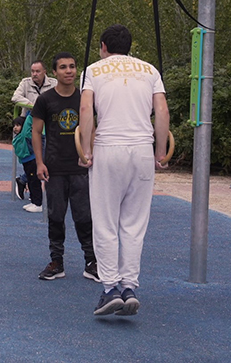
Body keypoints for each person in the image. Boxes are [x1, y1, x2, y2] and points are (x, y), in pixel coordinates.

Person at [78, 24, 169, 317]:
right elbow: (162, 111)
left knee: (105, 222)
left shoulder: (93, 70)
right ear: (129, 46)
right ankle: (129, 285)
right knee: (134, 223)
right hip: (142, 149)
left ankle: (109, 289)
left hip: (109, 147)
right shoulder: (150, 70)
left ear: (104, 45)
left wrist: (86, 151)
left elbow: (86, 112)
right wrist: (160, 153)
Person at [32, 52, 97, 281]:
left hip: (81, 167)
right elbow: (36, 132)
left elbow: (93, 130)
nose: (68, 71)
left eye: (72, 66)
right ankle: (56, 262)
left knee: (84, 217)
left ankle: (91, 262)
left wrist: (93, 156)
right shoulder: (45, 100)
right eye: (63, 67)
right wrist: (39, 163)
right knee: (56, 217)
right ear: (55, 72)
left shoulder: (85, 99)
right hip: (55, 167)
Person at [11, 60, 57, 196]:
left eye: (37, 71)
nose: (34, 74)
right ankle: (30, 184)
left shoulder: (53, 83)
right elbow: (15, 97)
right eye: (33, 71)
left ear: (45, 72)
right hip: (30, 125)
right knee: (33, 158)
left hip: (49, 123)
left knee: (48, 155)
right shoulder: (26, 83)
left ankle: (24, 179)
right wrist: (33, 104)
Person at [11, 114, 44, 213]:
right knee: (30, 181)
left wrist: (30, 115)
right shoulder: (18, 137)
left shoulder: (27, 135)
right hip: (26, 161)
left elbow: (27, 129)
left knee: (34, 182)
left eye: (18, 125)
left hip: (32, 160)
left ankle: (38, 203)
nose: (15, 128)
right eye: (14, 125)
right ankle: (34, 201)